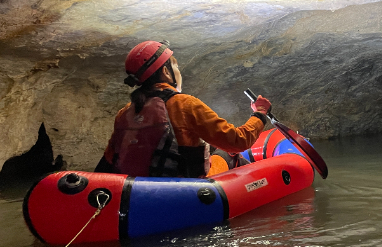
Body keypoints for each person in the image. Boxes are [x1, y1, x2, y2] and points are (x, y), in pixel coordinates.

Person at [95, 40, 271, 177]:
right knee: (228, 153)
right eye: (175, 67)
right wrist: (260, 113)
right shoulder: (185, 104)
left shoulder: (125, 112)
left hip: (138, 190)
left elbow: (110, 159)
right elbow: (238, 142)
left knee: (211, 147)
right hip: (186, 189)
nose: (178, 72)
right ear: (165, 72)